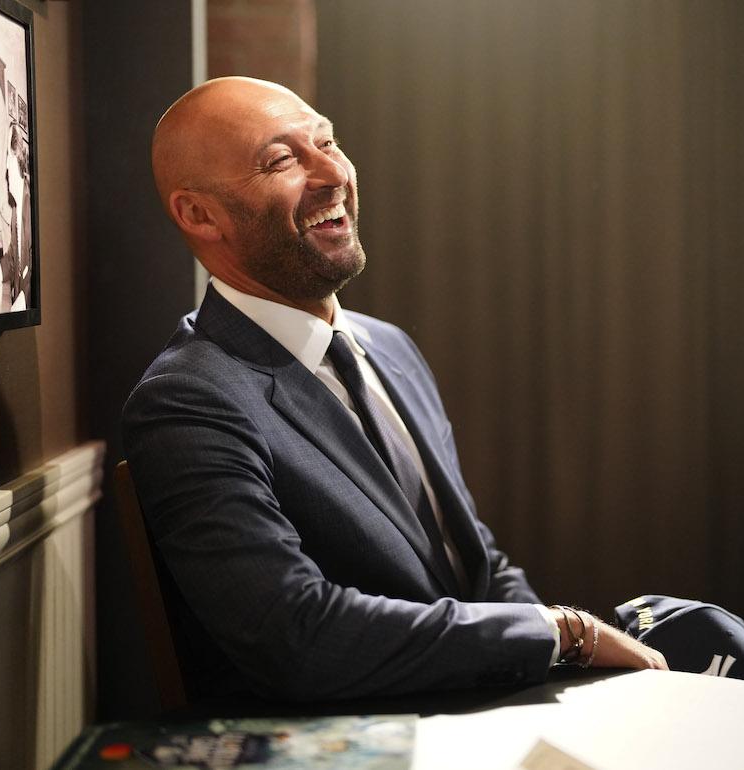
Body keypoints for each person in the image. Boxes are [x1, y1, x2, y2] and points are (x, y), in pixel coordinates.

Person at [123, 76, 670, 704]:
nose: (331, 172)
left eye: (327, 141)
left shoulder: (390, 347)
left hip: (480, 710)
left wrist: (574, 672)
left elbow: (476, 563)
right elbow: (297, 635)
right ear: (199, 213)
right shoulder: (186, 400)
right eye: (282, 159)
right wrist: (557, 634)